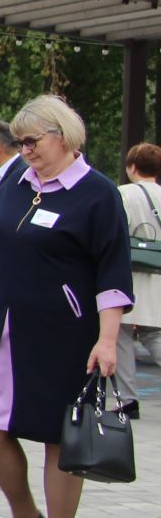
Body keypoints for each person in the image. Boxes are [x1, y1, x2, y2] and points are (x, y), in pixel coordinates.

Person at [0, 96, 130, 518]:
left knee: (59, 438)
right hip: (7, 328)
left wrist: (108, 339)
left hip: (66, 333)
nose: (24, 150)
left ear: (63, 136)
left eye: (32, 141)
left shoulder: (96, 194)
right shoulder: (14, 182)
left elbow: (113, 274)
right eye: (20, 142)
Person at [115, 142, 161, 411]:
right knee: (154, 334)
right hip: (157, 275)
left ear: (132, 166)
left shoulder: (123, 194)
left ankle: (127, 398)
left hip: (130, 273)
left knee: (119, 335)